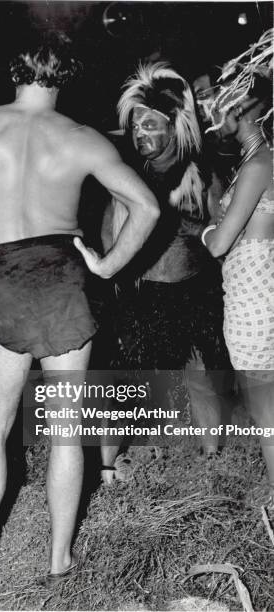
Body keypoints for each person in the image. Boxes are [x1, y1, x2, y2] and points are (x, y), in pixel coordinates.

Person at [0, 32, 159, 590]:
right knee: (67, 431)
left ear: (14, 71)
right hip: (66, 280)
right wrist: (106, 266)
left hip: (5, 278)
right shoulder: (82, 138)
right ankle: (59, 562)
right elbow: (145, 205)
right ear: (66, 76)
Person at [100, 63, 233, 484]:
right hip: (147, 292)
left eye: (150, 126)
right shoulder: (130, 179)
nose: (140, 135)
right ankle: (129, 456)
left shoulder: (205, 174)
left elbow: (226, 231)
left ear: (174, 125)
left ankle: (211, 453)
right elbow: (111, 235)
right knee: (140, 379)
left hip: (197, 289)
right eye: (136, 128)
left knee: (200, 373)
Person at [202, 29, 274, 507]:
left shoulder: (259, 165)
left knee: (266, 406)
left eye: (220, 104)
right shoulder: (253, 161)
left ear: (244, 107)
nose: (212, 115)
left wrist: (209, 230)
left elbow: (218, 243)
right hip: (252, 291)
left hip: (255, 298)